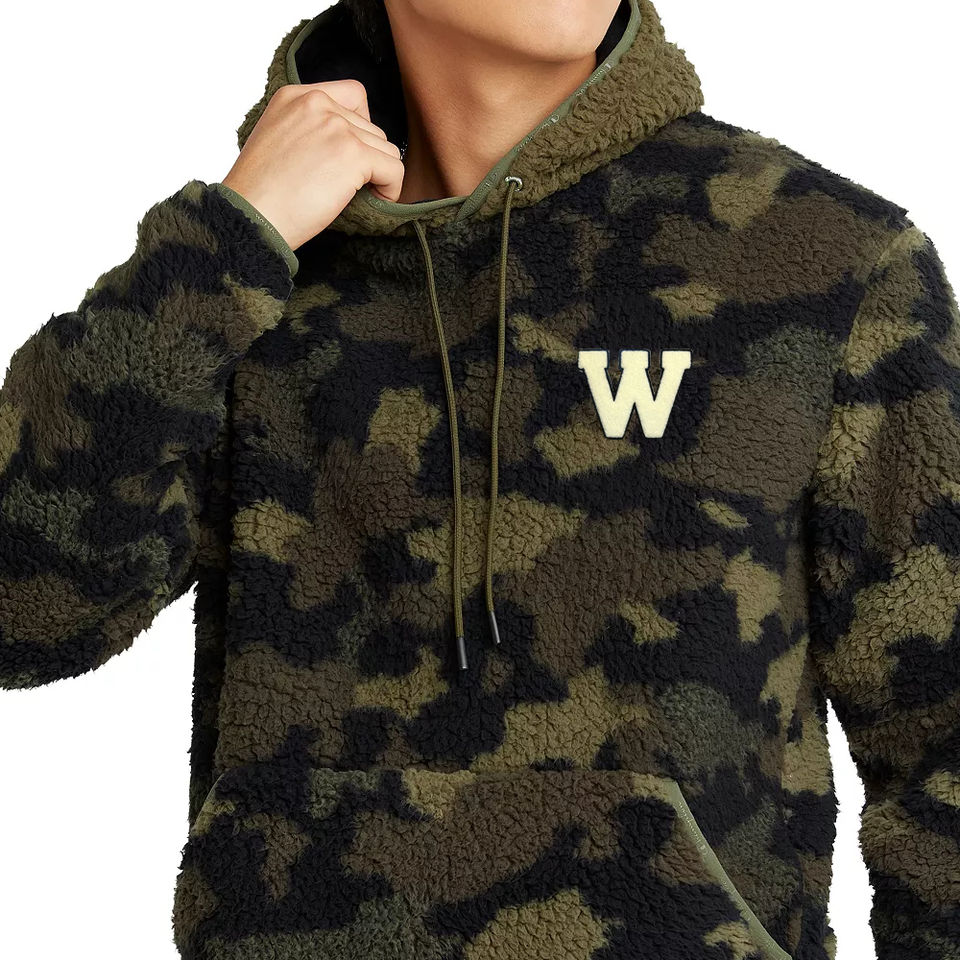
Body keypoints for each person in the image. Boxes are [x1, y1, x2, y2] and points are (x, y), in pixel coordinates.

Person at [1, 0, 957, 957]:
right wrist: (227, 243)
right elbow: (22, 611)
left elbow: (941, 739)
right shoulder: (247, 278)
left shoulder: (820, 255)